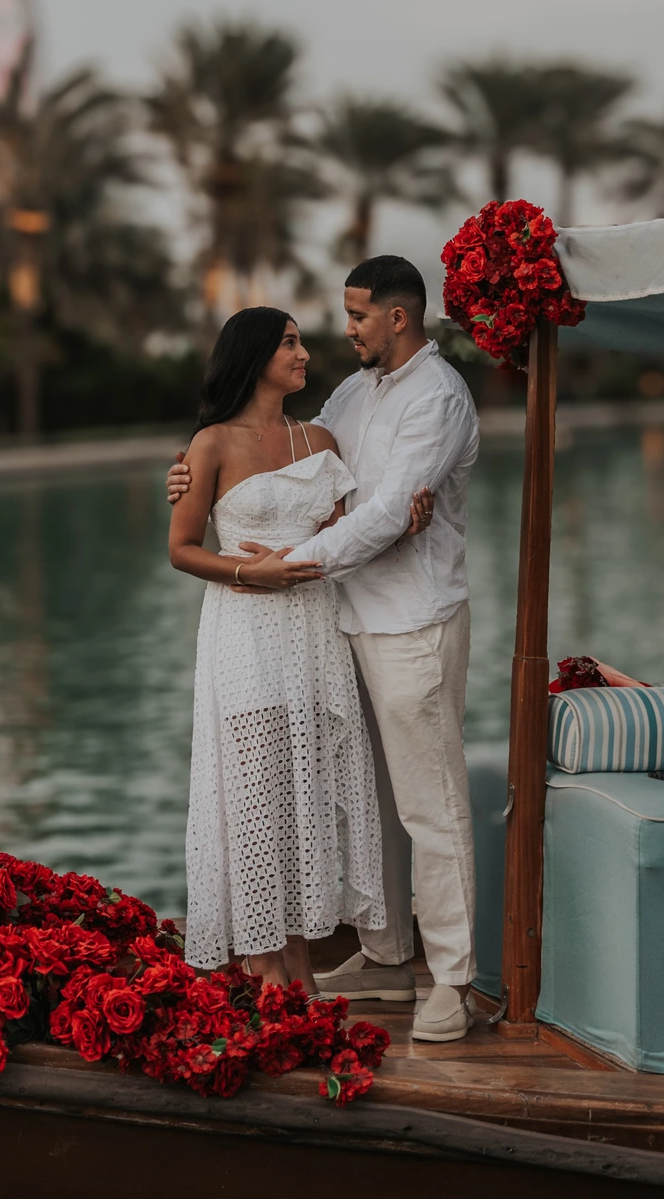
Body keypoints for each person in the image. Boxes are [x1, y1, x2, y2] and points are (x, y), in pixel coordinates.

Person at [168, 256, 479, 1042]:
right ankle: (384, 954)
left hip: (407, 618)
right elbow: (283, 470)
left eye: (356, 317)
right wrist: (190, 477)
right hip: (334, 623)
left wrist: (283, 567)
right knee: (370, 797)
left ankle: (452, 979)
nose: (341, 335)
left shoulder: (436, 398)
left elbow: (373, 517)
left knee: (427, 803)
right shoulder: (350, 393)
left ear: (397, 318)